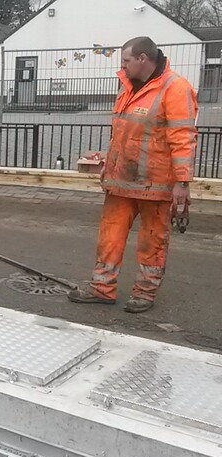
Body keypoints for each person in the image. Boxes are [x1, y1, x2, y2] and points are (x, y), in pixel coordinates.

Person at [68, 36, 198, 314]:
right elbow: (123, 133)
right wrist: (108, 161)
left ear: (142, 59)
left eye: (126, 60)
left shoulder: (175, 88)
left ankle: (145, 292)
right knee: (109, 237)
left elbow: (183, 137)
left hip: (155, 183)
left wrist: (182, 182)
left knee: (152, 240)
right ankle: (102, 288)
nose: (122, 66)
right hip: (121, 181)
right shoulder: (128, 87)